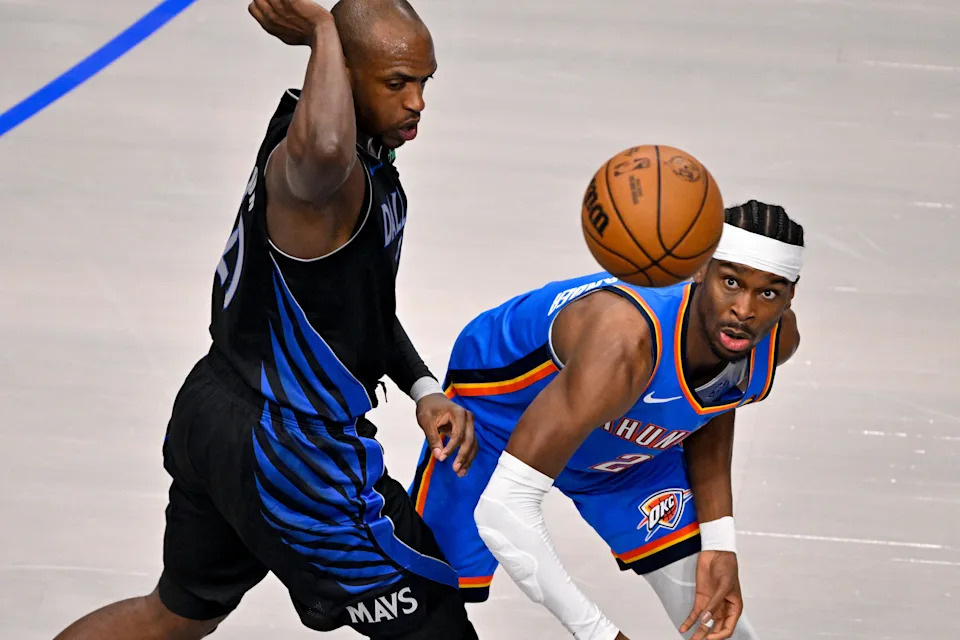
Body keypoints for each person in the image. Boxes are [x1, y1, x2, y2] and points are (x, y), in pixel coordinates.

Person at [55, 1, 479, 638]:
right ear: (343, 73)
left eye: (424, 82)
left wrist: (423, 388)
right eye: (396, 83)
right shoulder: (319, 174)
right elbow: (327, 147)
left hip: (215, 409)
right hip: (289, 450)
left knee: (172, 616)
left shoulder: (358, 164)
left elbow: (362, 312)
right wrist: (321, 34)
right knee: (436, 624)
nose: (417, 101)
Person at [410, 200, 805, 640]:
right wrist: (600, 634)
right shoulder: (625, 342)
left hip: (626, 438)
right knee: (425, 608)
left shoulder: (775, 341)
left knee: (723, 626)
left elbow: (707, 409)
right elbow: (503, 510)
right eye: (730, 282)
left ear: (790, 297)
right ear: (698, 271)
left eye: (768, 293)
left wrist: (719, 541)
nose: (744, 310)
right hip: (499, 416)